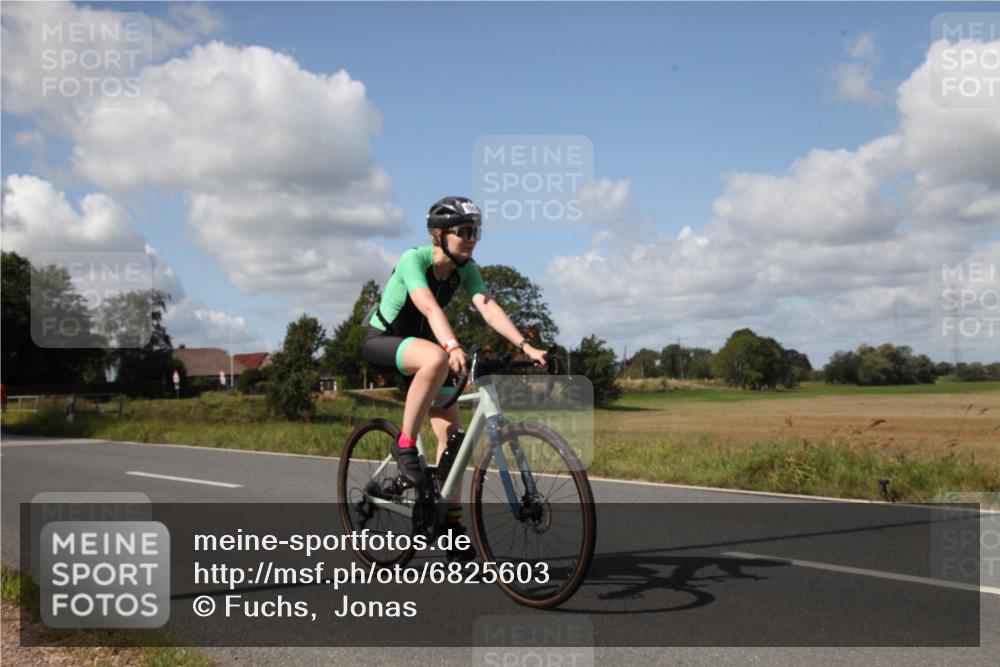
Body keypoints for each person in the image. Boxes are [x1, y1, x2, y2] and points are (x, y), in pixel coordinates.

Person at [362, 196, 549, 561]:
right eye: (464, 231)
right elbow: (428, 305)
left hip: (425, 348)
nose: (472, 238)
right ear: (439, 234)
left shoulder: (466, 268)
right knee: (436, 357)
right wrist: (451, 345)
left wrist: (526, 347)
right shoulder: (413, 259)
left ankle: (449, 528)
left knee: (455, 444)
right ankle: (404, 444)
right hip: (383, 340)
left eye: (475, 231)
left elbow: (486, 304)